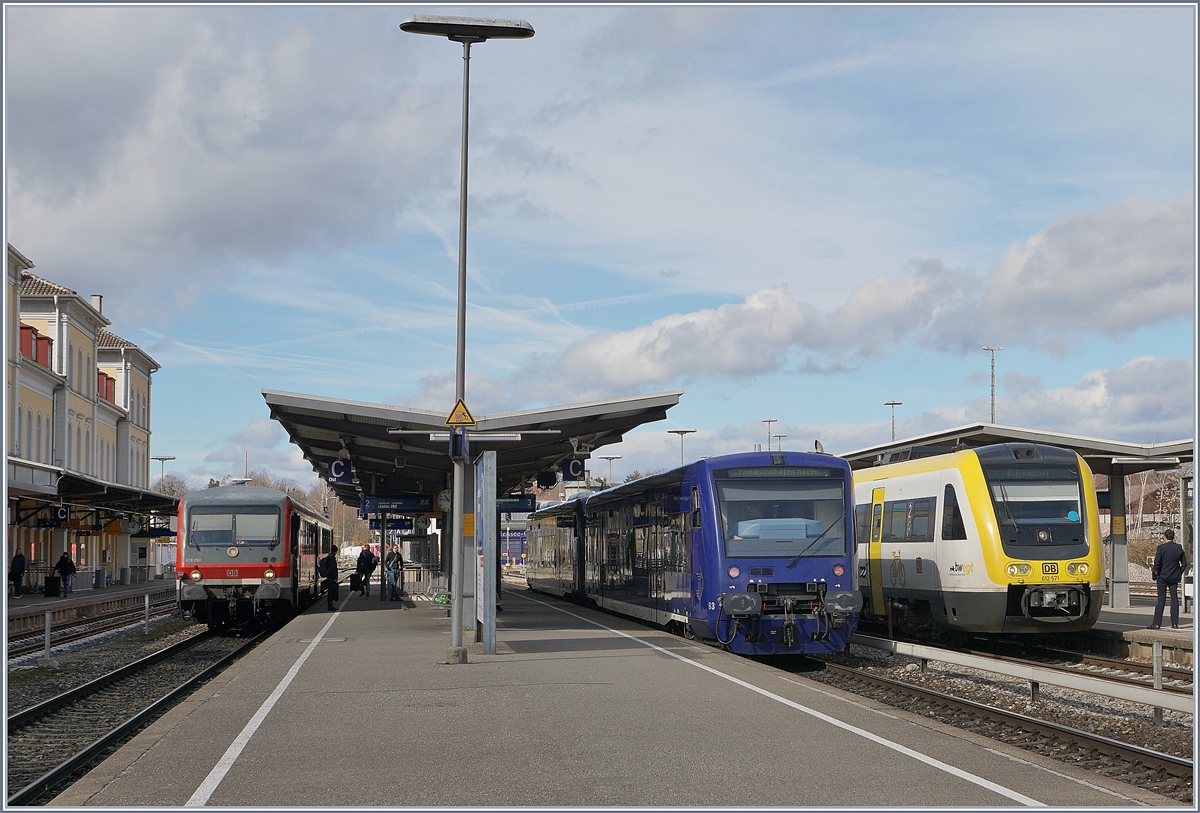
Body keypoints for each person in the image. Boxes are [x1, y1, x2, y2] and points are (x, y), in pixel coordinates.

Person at [1150, 529, 1189, 630]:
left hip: (1162, 577)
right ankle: (1175, 623)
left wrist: (1155, 574)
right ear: (1173, 537)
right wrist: (1178, 572)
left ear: (1165, 537)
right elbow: (1184, 564)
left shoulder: (1161, 548)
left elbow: (1157, 563)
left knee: (1161, 600)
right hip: (1174, 578)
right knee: (1174, 599)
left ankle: (1157, 624)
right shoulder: (1178, 548)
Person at [319, 545, 339, 611]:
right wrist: (335, 578)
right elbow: (333, 569)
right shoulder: (332, 558)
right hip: (331, 578)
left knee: (330, 592)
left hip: (329, 577)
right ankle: (330, 606)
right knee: (331, 593)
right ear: (335, 551)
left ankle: (330, 605)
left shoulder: (328, 557)